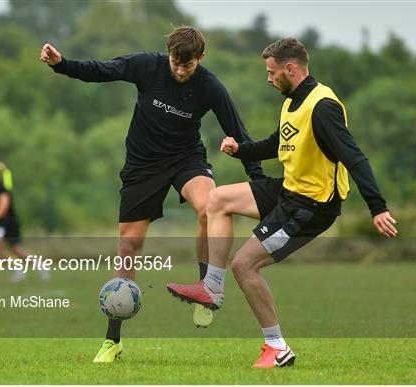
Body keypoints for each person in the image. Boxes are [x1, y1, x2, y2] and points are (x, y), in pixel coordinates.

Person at [167, 38, 398, 369]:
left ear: (291, 68)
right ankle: (211, 288)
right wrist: (241, 150)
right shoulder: (292, 101)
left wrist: (377, 207)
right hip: (289, 190)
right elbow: (279, 144)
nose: (268, 78)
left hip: (310, 207)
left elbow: (354, 156)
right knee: (217, 199)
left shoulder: (322, 106)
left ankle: (277, 348)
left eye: (272, 71)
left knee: (245, 265)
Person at [39, 26, 265, 363]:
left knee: (210, 206)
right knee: (129, 246)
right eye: (176, 62)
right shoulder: (148, 65)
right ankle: (111, 341)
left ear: (200, 59)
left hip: (186, 159)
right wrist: (61, 64)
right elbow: (103, 70)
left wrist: (258, 181)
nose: (179, 69)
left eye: (187, 65)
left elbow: (239, 132)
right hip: (142, 166)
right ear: (169, 54)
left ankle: (207, 287)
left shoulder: (210, 87)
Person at [0, 160, 49, 283]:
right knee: (14, 248)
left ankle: (23, 269)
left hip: (7, 222)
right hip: (7, 222)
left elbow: (4, 203)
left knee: (1, 247)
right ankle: (34, 267)